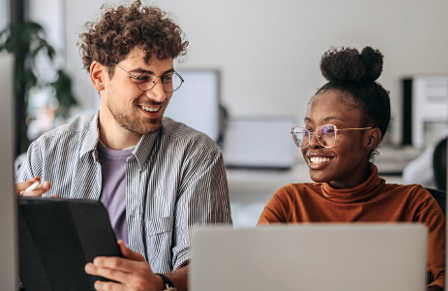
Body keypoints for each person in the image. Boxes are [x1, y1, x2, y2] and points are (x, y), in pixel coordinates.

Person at [15, 1, 232, 290]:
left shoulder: (197, 156)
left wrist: (159, 284)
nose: (159, 94)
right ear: (99, 77)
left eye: (166, 78)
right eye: (142, 78)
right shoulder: (45, 154)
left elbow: (211, 269)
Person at [258, 46, 446, 291]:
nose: (312, 142)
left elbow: (444, 279)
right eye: (308, 130)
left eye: (329, 131)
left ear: (371, 139)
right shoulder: (289, 203)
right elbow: (255, 276)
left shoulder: (414, 205)